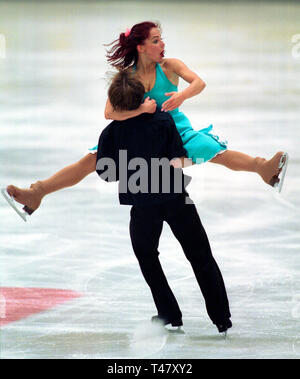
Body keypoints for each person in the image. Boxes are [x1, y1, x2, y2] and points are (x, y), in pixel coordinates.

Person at [3, 21, 288, 220]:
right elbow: (110, 113)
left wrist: (182, 96)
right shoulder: (127, 77)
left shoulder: (171, 66)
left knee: (212, 149)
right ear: (141, 47)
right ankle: (36, 193)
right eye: (155, 40)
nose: (162, 43)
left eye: (161, 38)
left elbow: (199, 82)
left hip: (176, 130)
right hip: (139, 135)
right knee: (90, 161)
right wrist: (140, 111)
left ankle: (263, 168)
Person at [96, 69, 231, 334]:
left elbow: (105, 173)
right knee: (200, 255)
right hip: (176, 196)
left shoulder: (111, 133)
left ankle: (169, 313)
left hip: (143, 204)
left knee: (146, 255)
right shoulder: (163, 121)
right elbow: (177, 158)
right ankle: (221, 318)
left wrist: (130, 169)